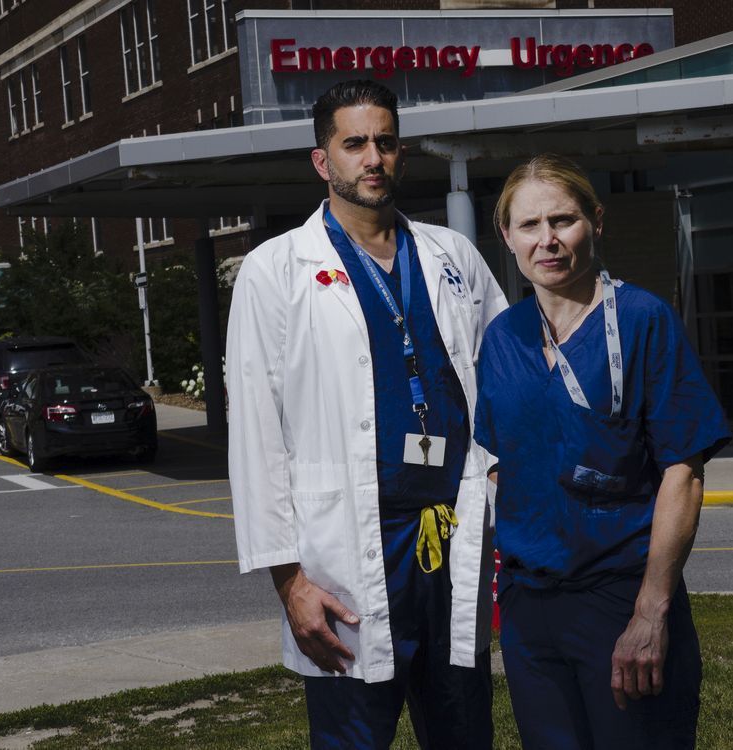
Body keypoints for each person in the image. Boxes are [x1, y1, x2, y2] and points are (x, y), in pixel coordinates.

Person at [226, 79, 506, 749]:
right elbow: (256, 436)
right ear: (324, 160)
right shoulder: (276, 271)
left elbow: (503, 379)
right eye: (354, 144)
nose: (372, 158)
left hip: (453, 534)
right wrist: (290, 582)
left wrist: (502, 480)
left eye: (384, 142)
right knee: (354, 734)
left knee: (465, 729)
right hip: (349, 549)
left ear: (401, 153)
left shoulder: (452, 257)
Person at [474, 154, 732, 749]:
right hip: (528, 608)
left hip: (619, 597)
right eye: (530, 225)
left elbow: (684, 473)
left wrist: (650, 612)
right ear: (507, 237)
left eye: (563, 220)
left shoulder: (644, 321)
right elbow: (499, 464)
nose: (548, 241)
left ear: (595, 220)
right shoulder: (503, 339)